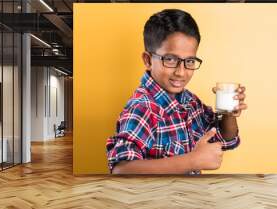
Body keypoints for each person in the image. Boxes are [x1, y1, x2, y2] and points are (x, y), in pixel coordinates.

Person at [106, 9, 247, 174]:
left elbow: (225, 139)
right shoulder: (142, 108)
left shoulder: (190, 101)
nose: (181, 72)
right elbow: (122, 170)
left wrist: (228, 113)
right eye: (170, 59)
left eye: (189, 61)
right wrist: (193, 161)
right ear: (148, 60)